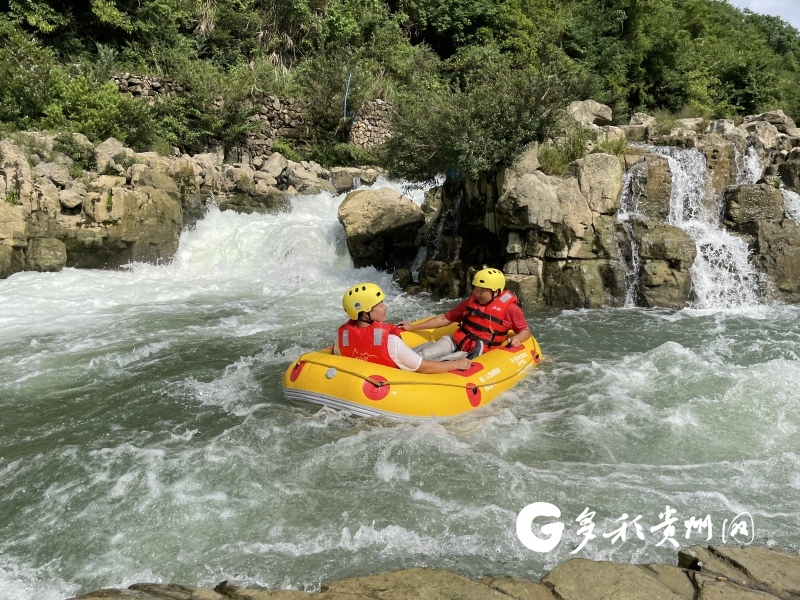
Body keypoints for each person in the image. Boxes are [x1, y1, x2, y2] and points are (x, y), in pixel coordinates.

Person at [334, 283, 472, 373]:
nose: (385, 307)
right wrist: (456, 364)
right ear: (365, 313)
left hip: (362, 384)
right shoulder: (390, 342)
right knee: (453, 355)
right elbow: (424, 367)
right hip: (393, 385)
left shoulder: (340, 339)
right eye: (380, 305)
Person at [398, 268, 531, 360]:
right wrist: (411, 327)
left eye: (482, 291)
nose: (477, 294)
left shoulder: (511, 309)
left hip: (473, 352)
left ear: (496, 292)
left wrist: (517, 339)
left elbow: (525, 331)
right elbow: (444, 319)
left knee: (440, 362)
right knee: (420, 356)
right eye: (476, 289)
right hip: (454, 342)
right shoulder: (469, 303)